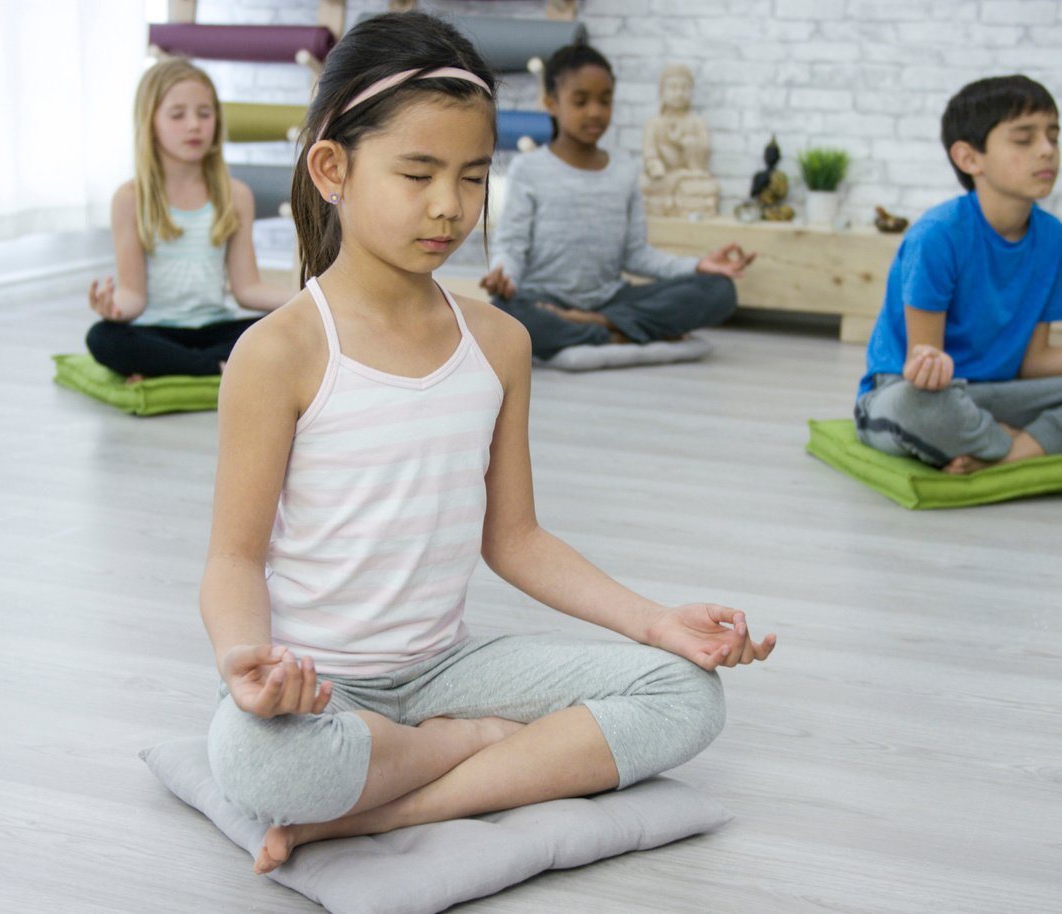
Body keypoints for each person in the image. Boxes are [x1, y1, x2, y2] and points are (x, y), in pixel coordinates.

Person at [199, 13, 776, 877]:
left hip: (448, 667)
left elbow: (515, 539)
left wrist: (654, 621)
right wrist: (247, 662)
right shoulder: (278, 351)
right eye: (417, 173)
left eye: (472, 177)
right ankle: (471, 749)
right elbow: (233, 559)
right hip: (322, 683)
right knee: (254, 760)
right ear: (334, 170)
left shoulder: (498, 342)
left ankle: (380, 806)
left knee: (686, 692)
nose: (449, 206)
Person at [480, 44, 754, 364]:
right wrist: (505, 276)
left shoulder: (624, 170)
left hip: (611, 300)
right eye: (581, 101)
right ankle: (620, 332)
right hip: (545, 301)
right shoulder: (528, 169)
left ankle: (600, 326)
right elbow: (512, 246)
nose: (595, 111)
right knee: (505, 312)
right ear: (551, 103)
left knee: (720, 291)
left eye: (605, 101)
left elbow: (637, 254)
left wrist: (696, 266)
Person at [855, 75, 1062, 474]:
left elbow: (1032, 362)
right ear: (969, 158)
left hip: (996, 395)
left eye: (1053, 137)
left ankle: (1000, 453)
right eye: (1024, 140)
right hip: (918, 394)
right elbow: (925, 367)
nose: (1047, 151)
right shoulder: (938, 235)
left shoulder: (1054, 240)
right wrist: (931, 371)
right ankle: (1021, 443)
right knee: (918, 406)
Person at [84, 58, 290, 380]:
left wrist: (305, 299)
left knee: (280, 331)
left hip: (215, 327)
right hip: (155, 330)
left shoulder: (235, 195)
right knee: (102, 337)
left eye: (204, 114)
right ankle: (214, 368)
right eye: (178, 115)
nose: (194, 125)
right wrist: (114, 310)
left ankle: (175, 366)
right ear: (150, 122)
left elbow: (247, 289)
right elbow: (134, 296)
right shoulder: (129, 199)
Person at [641, 63, 720, 218]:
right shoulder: (654, 122)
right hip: (661, 178)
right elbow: (649, 151)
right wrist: (654, 166)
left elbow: (703, 155)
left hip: (689, 177)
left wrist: (688, 143)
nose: (679, 93)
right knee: (642, 184)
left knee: (709, 187)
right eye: (673, 88)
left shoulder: (697, 122)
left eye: (684, 88)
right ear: (662, 92)